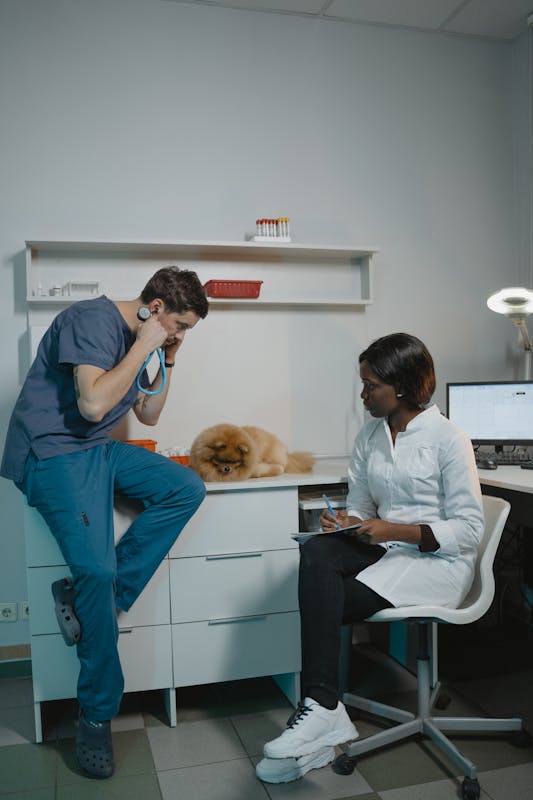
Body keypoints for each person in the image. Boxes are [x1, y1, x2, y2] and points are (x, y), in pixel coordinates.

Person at [1, 267, 209, 778]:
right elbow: (93, 404)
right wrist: (146, 345)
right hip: (51, 454)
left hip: (96, 450)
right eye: (179, 325)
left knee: (186, 488)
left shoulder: (147, 339)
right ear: (155, 309)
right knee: (95, 569)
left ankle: (100, 601)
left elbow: (152, 414)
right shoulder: (91, 319)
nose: (181, 335)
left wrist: (169, 358)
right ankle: (95, 715)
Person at [256, 332, 484, 784]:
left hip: (436, 563)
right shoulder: (370, 437)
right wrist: (345, 519)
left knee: (327, 598)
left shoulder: (448, 438)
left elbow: (470, 531)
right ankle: (323, 708)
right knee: (319, 552)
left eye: (370, 385)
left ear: (400, 386)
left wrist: (394, 529)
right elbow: (362, 507)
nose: (362, 394)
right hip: (382, 548)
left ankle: (321, 710)